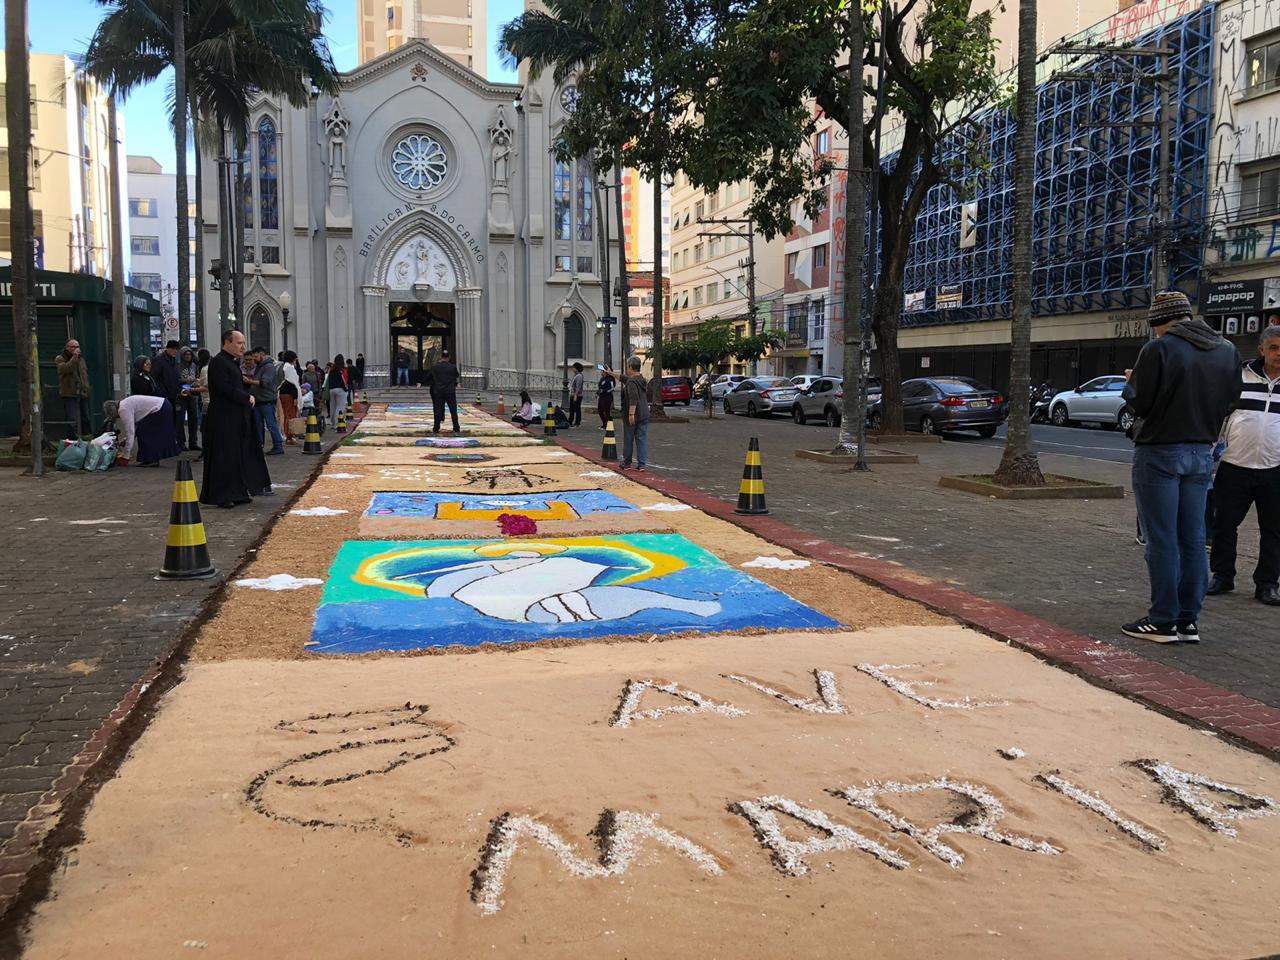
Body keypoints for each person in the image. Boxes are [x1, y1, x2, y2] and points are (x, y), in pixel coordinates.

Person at [1120, 291, 1241, 644]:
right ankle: (1188, 620)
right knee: (1193, 538)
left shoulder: (1159, 349)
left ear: (1160, 322)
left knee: (1161, 539)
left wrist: (1132, 380)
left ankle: (1162, 620)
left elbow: (1139, 401)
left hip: (1159, 451)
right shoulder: (1227, 350)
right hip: (1201, 452)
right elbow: (1231, 400)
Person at [1207, 324, 1280, 607]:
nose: (1278, 354)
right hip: (1234, 465)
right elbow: (1219, 417)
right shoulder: (1239, 376)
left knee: (1273, 529)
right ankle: (1222, 576)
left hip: (1274, 469)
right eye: (1273, 348)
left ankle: (1267, 584)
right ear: (1261, 349)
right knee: (1224, 523)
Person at [201, 329, 272, 508]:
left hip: (235, 417)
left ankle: (238, 491)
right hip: (223, 418)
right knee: (225, 456)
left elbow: (235, 385)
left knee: (237, 455)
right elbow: (224, 388)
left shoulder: (231, 362)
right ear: (227, 342)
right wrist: (245, 397)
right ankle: (223, 494)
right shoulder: (218, 362)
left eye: (243, 343)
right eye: (239, 343)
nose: (243, 347)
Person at [104, 395, 178, 467]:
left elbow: (130, 431)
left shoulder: (123, 409)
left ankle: (151, 460)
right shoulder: (126, 404)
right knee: (148, 432)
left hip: (159, 408)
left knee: (145, 433)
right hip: (164, 405)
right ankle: (152, 459)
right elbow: (135, 427)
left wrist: (126, 455)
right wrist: (126, 440)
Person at [248, 347, 285, 455]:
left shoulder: (268, 367)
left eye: (255, 357)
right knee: (259, 424)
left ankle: (278, 445)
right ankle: (259, 445)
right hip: (260, 400)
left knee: (271, 424)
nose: (254, 359)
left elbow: (265, 382)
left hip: (266, 400)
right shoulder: (260, 366)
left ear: (262, 355)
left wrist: (249, 381)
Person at [616, 356, 649, 471]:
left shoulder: (631, 382)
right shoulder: (641, 379)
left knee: (628, 438)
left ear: (630, 367)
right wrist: (610, 373)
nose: (626, 368)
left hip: (633, 415)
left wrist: (631, 414)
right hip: (644, 413)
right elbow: (623, 378)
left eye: (627, 366)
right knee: (641, 439)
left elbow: (633, 399)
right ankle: (642, 464)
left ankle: (627, 462)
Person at [55, 338, 92, 439]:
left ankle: (86, 437)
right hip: (69, 392)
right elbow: (66, 369)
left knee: (86, 417)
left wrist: (86, 387)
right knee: (72, 419)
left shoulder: (81, 360)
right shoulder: (60, 358)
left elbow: (84, 374)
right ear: (67, 348)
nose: (76, 349)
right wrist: (74, 357)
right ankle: (71, 439)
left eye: (77, 347)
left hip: (82, 392)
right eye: (73, 347)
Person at [152, 340, 184, 441]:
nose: (175, 351)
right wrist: (161, 392)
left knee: (173, 419)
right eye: (173, 349)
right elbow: (155, 377)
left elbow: (175, 377)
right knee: (165, 419)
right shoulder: (160, 360)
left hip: (173, 395)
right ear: (168, 349)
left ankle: (171, 440)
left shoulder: (173, 360)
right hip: (164, 395)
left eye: (176, 350)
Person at [428, 348, 461, 434]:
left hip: (439, 391)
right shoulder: (452, 367)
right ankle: (456, 427)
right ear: (448, 357)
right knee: (453, 410)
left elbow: (430, 377)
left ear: (441, 357)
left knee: (438, 410)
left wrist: (420, 382)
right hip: (450, 391)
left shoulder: (435, 367)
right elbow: (456, 375)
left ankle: (436, 428)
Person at [177, 347, 202, 451]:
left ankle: (193, 442)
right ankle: (181, 442)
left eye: (189, 354)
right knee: (180, 420)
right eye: (186, 354)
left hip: (192, 396)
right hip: (181, 395)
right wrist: (185, 381)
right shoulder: (177, 366)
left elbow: (197, 376)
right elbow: (176, 380)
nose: (188, 356)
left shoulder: (194, 366)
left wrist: (195, 382)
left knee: (194, 420)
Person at [278, 349, 302, 444]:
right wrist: (296, 397)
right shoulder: (290, 368)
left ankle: (287, 435)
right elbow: (293, 383)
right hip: (289, 394)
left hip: (283, 393)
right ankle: (289, 436)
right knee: (290, 415)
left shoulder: (283, 366)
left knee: (285, 414)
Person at [325, 353, 348, 429]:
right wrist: (345, 389)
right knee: (340, 407)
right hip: (340, 389)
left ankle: (333, 423)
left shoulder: (331, 369)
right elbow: (343, 380)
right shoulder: (342, 369)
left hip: (331, 389)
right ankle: (338, 423)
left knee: (333, 406)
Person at [597, 365, 616, 429]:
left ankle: (607, 425)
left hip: (607, 397)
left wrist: (604, 391)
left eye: (602, 371)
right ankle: (605, 423)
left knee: (606, 411)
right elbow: (600, 387)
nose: (601, 372)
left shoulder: (609, 379)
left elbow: (612, 388)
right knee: (600, 410)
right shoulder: (602, 379)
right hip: (601, 397)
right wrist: (598, 392)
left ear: (605, 372)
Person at [569, 362, 585, 427]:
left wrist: (575, 395)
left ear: (576, 368)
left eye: (573, 367)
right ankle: (570, 421)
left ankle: (577, 422)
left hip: (577, 395)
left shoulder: (579, 376)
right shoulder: (575, 375)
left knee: (577, 409)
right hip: (573, 394)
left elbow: (578, 386)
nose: (572, 369)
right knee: (572, 409)